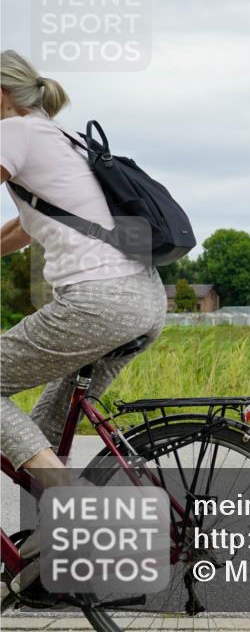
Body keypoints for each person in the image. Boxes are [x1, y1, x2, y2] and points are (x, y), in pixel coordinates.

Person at [0, 49, 166, 489]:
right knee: (41, 439)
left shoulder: (12, 131)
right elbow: (25, 226)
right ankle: (59, 529)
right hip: (144, 298)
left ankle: (74, 506)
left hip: (100, 304)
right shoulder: (62, 137)